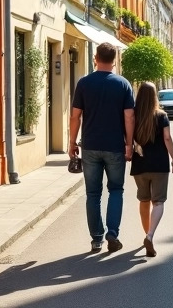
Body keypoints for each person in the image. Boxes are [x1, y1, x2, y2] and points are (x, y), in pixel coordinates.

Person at [69, 42, 135, 253]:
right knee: (116, 190)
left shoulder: (84, 83)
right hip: (115, 146)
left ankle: (96, 239)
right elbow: (129, 117)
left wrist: (72, 142)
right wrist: (129, 144)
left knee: (93, 194)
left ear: (95, 58)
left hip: (90, 146)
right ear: (115, 61)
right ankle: (112, 234)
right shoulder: (123, 84)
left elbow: (75, 116)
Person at [130, 82, 173, 257]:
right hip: (159, 165)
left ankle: (146, 235)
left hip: (140, 164)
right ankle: (150, 235)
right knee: (158, 202)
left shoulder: (133, 115)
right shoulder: (161, 116)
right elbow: (167, 138)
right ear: (154, 97)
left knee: (144, 200)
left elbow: (127, 136)